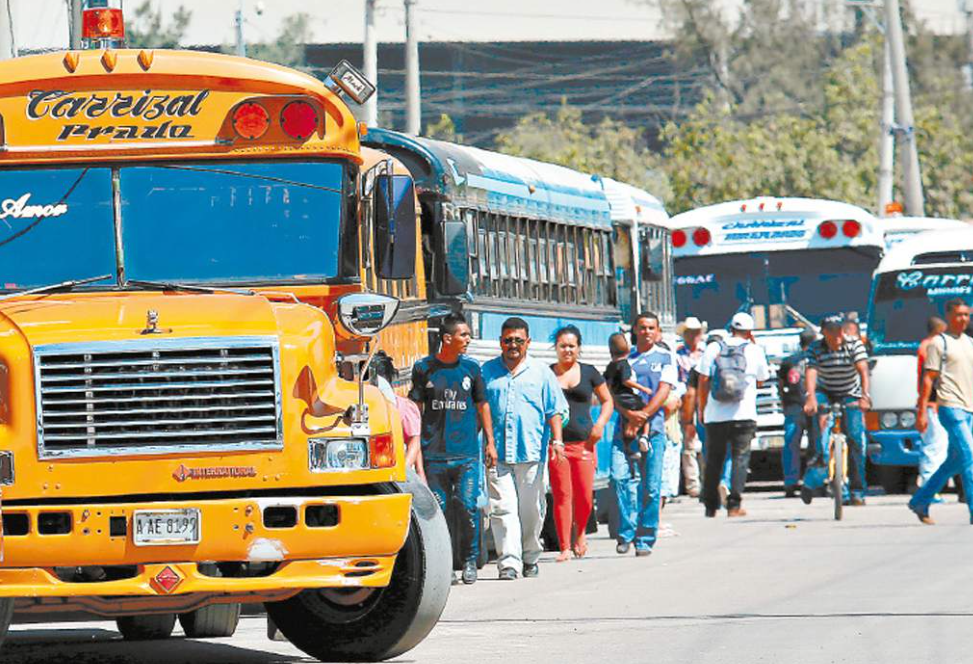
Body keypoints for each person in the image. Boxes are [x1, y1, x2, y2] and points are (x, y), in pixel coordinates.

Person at [409, 313, 497, 585]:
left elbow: (482, 405)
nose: (468, 339)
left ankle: (469, 560)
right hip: (434, 455)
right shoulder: (424, 368)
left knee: (467, 506)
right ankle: (444, 564)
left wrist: (490, 443)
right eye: (463, 335)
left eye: (468, 335)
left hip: (467, 455)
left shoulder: (472, 369)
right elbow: (416, 408)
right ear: (447, 339)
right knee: (438, 510)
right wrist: (415, 448)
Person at [483, 317, 568, 580]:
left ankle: (530, 555)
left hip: (531, 452)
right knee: (502, 509)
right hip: (496, 455)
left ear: (528, 342)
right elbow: (480, 410)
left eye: (518, 340)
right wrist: (486, 443)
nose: (513, 345)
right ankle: (509, 562)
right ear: (500, 342)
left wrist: (557, 441)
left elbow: (555, 410)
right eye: (508, 340)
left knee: (531, 511)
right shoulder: (486, 372)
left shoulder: (542, 372)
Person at [610, 311, 676, 556]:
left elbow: (663, 391)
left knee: (651, 486)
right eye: (642, 327)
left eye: (651, 328)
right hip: (624, 430)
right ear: (635, 331)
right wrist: (630, 417)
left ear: (657, 331)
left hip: (654, 430)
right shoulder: (624, 361)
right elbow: (613, 394)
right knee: (619, 478)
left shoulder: (666, 357)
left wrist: (643, 416)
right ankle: (625, 532)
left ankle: (645, 538)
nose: (647, 332)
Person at [549, 325, 613, 561]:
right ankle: (565, 546)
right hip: (558, 445)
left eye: (572, 346)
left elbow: (607, 401)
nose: (567, 350)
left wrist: (600, 425)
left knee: (585, 496)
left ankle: (581, 533)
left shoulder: (589, 372)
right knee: (562, 495)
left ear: (579, 348)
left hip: (584, 444)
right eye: (563, 346)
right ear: (556, 348)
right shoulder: (548, 374)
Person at [697, 312, 770, 517]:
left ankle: (711, 506)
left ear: (730, 328)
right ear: (749, 331)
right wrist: (752, 344)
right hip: (744, 414)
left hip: (715, 414)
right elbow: (762, 379)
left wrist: (702, 408)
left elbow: (703, 380)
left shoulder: (714, 347)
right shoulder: (754, 350)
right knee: (740, 458)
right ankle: (734, 505)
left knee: (714, 459)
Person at [909, 299, 973, 525]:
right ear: (948, 316)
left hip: (969, 409)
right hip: (949, 407)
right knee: (970, 456)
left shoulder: (969, 343)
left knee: (954, 462)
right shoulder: (939, 343)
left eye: (966, 315)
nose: (963, 319)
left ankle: (920, 500)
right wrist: (922, 412)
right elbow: (928, 379)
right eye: (958, 315)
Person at [799, 315, 870, 506]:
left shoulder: (854, 345)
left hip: (850, 392)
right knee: (820, 438)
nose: (837, 335)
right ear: (823, 333)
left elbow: (863, 369)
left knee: (855, 438)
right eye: (832, 331)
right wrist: (811, 397)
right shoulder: (816, 348)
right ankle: (813, 481)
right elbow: (811, 371)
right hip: (826, 391)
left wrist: (865, 396)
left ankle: (857, 490)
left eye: (839, 330)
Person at [370, 351, 425, 483]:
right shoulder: (404, 406)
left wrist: (404, 470)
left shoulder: (403, 407)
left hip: (395, 471)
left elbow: (414, 441)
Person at [777, 328, 818, 498]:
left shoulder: (788, 361)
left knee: (791, 444)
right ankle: (814, 483)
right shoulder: (817, 359)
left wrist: (784, 403)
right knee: (816, 446)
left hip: (793, 406)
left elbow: (780, 384)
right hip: (814, 406)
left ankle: (790, 482)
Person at [604, 332, 654, 458]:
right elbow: (626, 381)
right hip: (629, 398)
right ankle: (644, 436)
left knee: (627, 423)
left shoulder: (610, 366)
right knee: (645, 414)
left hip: (618, 399)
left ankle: (632, 448)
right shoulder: (624, 364)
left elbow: (606, 383)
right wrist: (643, 388)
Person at [675, 317, 707, 497]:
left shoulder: (706, 353)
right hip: (686, 400)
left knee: (705, 442)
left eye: (696, 332)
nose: (694, 336)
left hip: (705, 401)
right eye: (690, 333)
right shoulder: (678, 355)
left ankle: (707, 479)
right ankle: (693, 484)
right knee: (689, 443)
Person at [917, 316, 949, 490]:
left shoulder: (925, 346)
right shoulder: (930, 348)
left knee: (937, 446)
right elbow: (928, 380)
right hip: (932, 404)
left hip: (931, 404)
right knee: (934, 447)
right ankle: (929, 487)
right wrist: (926, 405)